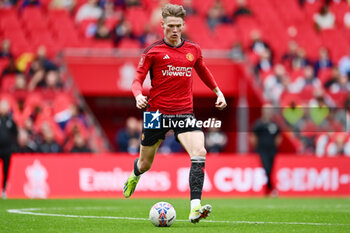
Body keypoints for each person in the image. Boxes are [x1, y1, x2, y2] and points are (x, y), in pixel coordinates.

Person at [122, 3, 227, 224]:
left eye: (178, 25)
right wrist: (138, 95)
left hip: (184, 112)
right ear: (162, 26)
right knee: (145, 164)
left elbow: (203, 71)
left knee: (200, 151)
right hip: (155, 113)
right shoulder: (153, 51)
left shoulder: (193, 50)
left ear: (183, 25)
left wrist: (218, 92)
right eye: (170, 26)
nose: (175, 30)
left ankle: (195, 208)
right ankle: (134, 176)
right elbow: (136, 80)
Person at [251, 104, 281, 196]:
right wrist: (256, 147)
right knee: (266, 168)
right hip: (262, 150)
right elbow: (253, 137)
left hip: (272, 150)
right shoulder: (259, 124)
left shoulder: (274, 125)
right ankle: (270, 188)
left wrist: (275, 146)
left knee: (270, 169)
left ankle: (269, 189)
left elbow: (279, 137)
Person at [0, 99, 18, 199]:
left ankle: (4, 190)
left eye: (6, 106)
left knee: (6, 170)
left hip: (7, 149)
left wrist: (13, 146)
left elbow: (15, 133)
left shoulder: (10, 121)